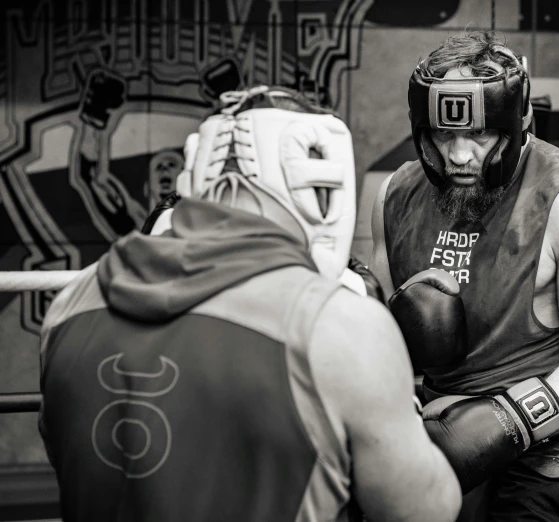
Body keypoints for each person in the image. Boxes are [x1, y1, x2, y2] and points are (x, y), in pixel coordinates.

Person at [38, 85, 461, 522]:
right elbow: (424, 512)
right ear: (320, 183)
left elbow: (62, 450)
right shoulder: (338, 325)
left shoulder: (71, 303)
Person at [370, 31, 559, 521]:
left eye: (479, 134)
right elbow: (381, 334)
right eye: (443, 134)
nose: (458, 155)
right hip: (433, 437)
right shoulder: (394, 197)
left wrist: (510, 419)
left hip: (543, 457)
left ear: (516, 124)